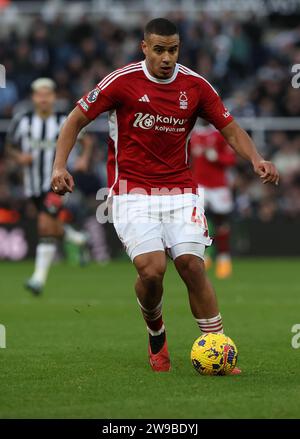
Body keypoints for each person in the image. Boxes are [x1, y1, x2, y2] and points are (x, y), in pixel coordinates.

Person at [51, 18, 279, 373]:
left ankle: (218, 347)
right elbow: (75, 119)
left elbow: (230, 128)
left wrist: (257, 159)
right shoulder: (121, 81)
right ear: (145, 48)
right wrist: (59, 166)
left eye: (172, 49)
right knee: (152, 271)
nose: (167, 57)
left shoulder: (196, 86)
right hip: (131, 192)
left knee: (191, 265)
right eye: (159, 50)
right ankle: (156, 330)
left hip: (180, 190)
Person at [5, 78, 92, 295]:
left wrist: (83, 159)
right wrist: (18, 157)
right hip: (32, 185)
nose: (43, 98)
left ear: (53, 97)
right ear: (34, 97)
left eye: (47, 94)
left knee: (44, 225)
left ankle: (38, 279)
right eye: (39, 94)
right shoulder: (22, 120)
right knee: (51, 225)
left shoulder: (64, 119)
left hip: (58, 183)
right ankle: (77, 238)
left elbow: (87, 140)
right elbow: (9, 146)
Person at [190, 122, 236, 278]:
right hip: (199, 184)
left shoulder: (219, 133)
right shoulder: (192, 133)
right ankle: (205, 255)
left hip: (218, 186)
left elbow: (231, 159)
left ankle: (224, 259)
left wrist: (217, 157)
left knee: (221, 222)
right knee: (198, 221)